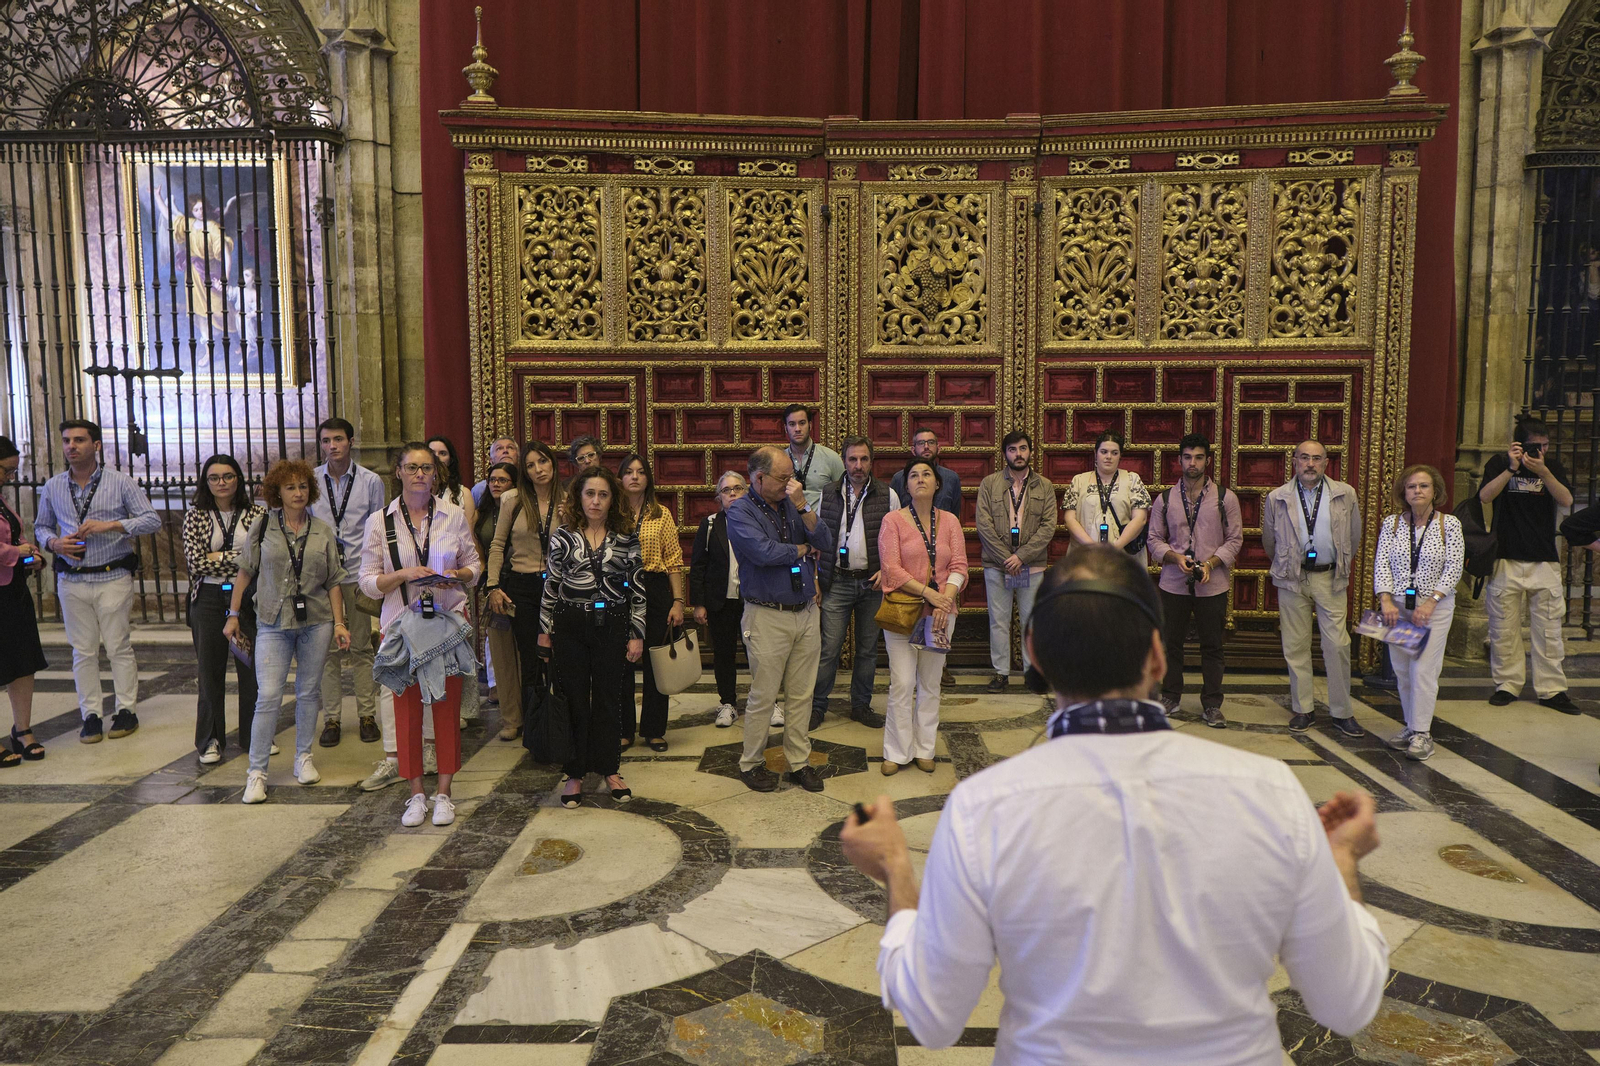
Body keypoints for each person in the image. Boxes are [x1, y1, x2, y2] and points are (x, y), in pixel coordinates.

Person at [839, 545, 1390, 1064]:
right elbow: (1347, 1002)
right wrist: (1340, 861)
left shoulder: (983, 807)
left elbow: (933, 1017)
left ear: (1034, 654)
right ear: (1156, 655)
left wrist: (895, 869)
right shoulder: (1270, 789)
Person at [359, 444, 481, 827]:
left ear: (435, 474)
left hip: (445, 625)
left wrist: (459, 576)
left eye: (426, 468)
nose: (419, 474)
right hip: (400, 628)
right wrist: (402, 575)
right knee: (406, 713)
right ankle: (415, 795)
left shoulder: (454, 515)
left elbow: (474, 564)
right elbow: (367, 582)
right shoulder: (381, 521)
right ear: (398, 472)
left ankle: (444, 793)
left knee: (446, 709)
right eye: (411, 467)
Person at [225, 460, 350, 804]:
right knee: (268, 696)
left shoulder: (323, 530)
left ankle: (303, 758)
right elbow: (245, 572)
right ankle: (256, 772)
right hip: (272, 621)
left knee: (309, 692)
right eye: (291, 487)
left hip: (317, 621)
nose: (298, 493)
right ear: (277, 492)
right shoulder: (263, 526)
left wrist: (339, 623)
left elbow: (335, 581)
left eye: (303, 486)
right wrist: (233, 614)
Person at [34, 419, 160, 743]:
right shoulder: (53, 487)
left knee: (118, 645)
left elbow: (151, 520)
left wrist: (111, 525)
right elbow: (41, 527)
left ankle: (126, 710)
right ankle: (90, 715)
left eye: (78, 440)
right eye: (66, 441)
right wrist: (54, 544)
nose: (71, 447)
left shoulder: (120, 483)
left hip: (112, 575)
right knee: (83, 650)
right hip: (71, 579)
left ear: (96, 445)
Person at [725, 446, 834, 793]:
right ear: (759, 478)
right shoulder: (739, 511)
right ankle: (751, 762)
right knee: (764, 696)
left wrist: (803, 506)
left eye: (793, 477)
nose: (791, 484)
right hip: (766, 615)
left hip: (805, 611)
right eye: (784, 478)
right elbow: (763, 552)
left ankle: (799, 762)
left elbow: (826, 540)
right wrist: (802, 550)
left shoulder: (791, 503)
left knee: (801, 695)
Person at [536, 466, 645, 808]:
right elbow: (551, 585)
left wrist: (636, 633)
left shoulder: (626, 536)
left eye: (603, 495)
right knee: (574, 698)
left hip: (612, 622)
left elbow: (638, 588)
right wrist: (544, 631)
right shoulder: (563, 536)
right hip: (570, 625)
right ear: (578, 497)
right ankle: (575, 772)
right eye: (589, 494)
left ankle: (610, 768)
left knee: (610, 699)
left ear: (613, 500)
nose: (595, 501)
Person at [1262, 440, 1364, 736]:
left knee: (1338, 645)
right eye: (1304, 457)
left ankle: (1342, 712)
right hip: (1292, 578)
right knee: (1295, 646)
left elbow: (1353, 536)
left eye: (1316, 458)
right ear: (1294, 461)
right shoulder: (1277, 497)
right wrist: (1289, 562)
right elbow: (1270, 541)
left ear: (1326, 462)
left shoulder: (1345, 494)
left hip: (1329, 578)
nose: (1310, 463)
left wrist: (1335, 561)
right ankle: (1303, 709)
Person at [1479, 419, 1581, 713]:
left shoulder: (1552, 467)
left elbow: (1566, 500)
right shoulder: (1499, 462)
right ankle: (1507, 685)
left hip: (1543, 558)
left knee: (1549, 629)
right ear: (1519, 445)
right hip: (1505, 557)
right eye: (1535, 445)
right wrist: (1511, 469)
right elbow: (1485, 496)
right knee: (1503, 629)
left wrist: (1544, 471)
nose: (1541, 450)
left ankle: (1552, 690)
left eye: (1545, 445)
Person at [1145, 434, 1243, 727]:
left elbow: (1235, 540)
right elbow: (1153, 539)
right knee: (1170, 643)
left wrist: (1211, 563)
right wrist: (1175, 558)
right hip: (1174, 582)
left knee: (1212, 645)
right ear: (1179, 460)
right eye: (1187, 457)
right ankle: (1171, 696)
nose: (1192, 463)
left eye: (1198, 457)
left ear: (1207, 461)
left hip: (1212, 584)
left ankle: (1212, 704)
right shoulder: (1165, 498)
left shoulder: (1226, 498)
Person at [878, 458, 968, 774]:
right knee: (902, 683)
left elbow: (959, 565)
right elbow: (891, 567)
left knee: (930, 683)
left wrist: (946, 598)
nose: (920, 479)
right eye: (913, 475)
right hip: (904, 610)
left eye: (926, 474)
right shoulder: (893, 520)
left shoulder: (951, 522)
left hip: (942, 614)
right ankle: (897, 751)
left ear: (937, 483)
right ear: (906, 486)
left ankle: (924, 748)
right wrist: (929, 593)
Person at [1375, 465, 1466, 761]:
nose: (1417, 491)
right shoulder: (1391, 524)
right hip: (1398, 607)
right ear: (1404, 491)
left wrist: (1431, 602)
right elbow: (1381, 564)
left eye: (1424, 486)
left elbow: (1454, 567)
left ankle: (1423, 734)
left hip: (1434, 608)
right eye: (1412, 486)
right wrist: (1385, 600)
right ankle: (1411, 726)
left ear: (1435, 492)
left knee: (1423, 670)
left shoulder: (1448, 524)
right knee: (1402, 670)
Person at [182, 453, 266, 764]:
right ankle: (210, 740)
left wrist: (219, 555)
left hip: (247, 599)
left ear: (238, 480)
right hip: (207, 599)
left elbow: (259, 559)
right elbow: (196, 562)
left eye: (228, 476)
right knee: (210, 672)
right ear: (206, 482)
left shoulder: (255, 513)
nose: (222, 483)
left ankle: (253, 736)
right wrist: (238, 556)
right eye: (215, 477)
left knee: (251, 670)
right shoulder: (196, 515)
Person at [311, 417, 388, 748]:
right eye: (326, 441)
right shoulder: (312, 480)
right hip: (322, 578)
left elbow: (378, 529)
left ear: (351, 442)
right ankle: (332, 718)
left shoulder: (370, 481)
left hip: (357, 573)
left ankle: (367, 715)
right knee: (326, 651)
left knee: (360, 647)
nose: (332, 446)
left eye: (338, 439)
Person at [813, 437, 898, 730]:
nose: (858, 466)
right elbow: (818, 538)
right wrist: (816, 579)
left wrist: (886, 571)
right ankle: (816, 706)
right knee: (828, 649)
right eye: (852, 460)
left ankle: (861, 705)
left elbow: (895, 540)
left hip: (871, 585)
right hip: (836, 581)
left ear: (871, 461)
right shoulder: (828, 493)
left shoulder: (888, 495)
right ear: (844, 461)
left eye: (863, 459)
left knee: (867, 650)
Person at [486, 441, 561, 742]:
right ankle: (534, 727)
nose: (538, 469)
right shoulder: (512, 499)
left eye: (542, 462)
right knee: (529, 659)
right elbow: (497, 545)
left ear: (553, 464)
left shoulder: (568, 499)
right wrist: (493, 586)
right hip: (523, 586)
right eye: (530, 465)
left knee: (559, 656)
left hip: (559, 587)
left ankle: (559, 722)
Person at [975, 431, 1057, 693]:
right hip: (996, 565)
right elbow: (983, 525)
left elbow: (1048, 526)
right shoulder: (989, 484)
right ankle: (1000, 673)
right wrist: (1006, 557)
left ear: (1030, 452)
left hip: (1031, 566)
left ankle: (1032, 673)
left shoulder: (1044, 485)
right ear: (1004, 454)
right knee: (998, 620)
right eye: (1012, 449)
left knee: (1030, 621)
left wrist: (1021, 556)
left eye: (1023, 448)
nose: (1018, 454)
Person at [618, 453, 686, 753]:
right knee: (621, 662)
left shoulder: (661, 514)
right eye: (629, 472)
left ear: (648, 478)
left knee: (657, 662)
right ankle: (623, 730)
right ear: (620, 478)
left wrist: (678, 601)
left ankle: (654, 729)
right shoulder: (611, 513)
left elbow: (674, 561)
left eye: (640, 472)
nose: (634, 476)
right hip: (619, 589)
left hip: (655, 587)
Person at [0, 436, 48, 767]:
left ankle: (23, 729)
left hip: (13, 590)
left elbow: (15, 535)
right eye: (6, 470)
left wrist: (31, 553)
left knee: (22, 660)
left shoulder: (2, 501)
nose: (11, 478)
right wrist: (16, 553)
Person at [691, 471, 748, 728]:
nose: (732, 493)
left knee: (759, 654)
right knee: (724, 654)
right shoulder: (711, 524)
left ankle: (768, 703)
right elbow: (698, 566)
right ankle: (728, 703)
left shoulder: (757, 521)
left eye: (738, 488)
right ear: (719, 497)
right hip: (721, 601)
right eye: (726, 490)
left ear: (747, 492)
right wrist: (699, 603)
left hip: (753, 602)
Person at [474, 461, 519, 717]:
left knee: (523, 653)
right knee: (499, 651)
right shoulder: (483, 511)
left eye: (502, 480)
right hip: (493, 584)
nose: (496, 485)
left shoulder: (519, 506)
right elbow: (479, 543)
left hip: (519, 581)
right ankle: (509, 713)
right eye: (492, 480)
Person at [1063, 431, 1151, 552]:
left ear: (1120, 455)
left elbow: (1140, 519)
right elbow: (1069, 519)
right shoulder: (1079, 481)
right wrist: (1092, 547)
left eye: (1114, 453)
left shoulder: (1132, 479)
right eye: (1104, 452)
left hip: (1122, 555)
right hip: (1084, 554)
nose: (1108, 456)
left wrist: (1115, 548)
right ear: (1096, 453)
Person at [782, 404, 844, 511]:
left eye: (802, 423)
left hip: (822, 524)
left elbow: (844, 495)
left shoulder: (831, 458)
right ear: (785, 428)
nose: (797, 429)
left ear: (810, 425)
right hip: (788, 525)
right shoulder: (779, 461)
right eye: (792, 424)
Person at [890, 426, 962, 516]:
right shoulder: (899, 478)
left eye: (931, 442)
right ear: (913, 450)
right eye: (921, 443)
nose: (926, 447)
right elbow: (894, 513)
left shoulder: (951, 478)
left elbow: (955, 513)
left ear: (938, 448)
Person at [471, 437, 520, 508]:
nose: (505, 451)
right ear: (491, 461)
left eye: (510, 447)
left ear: (518, 457)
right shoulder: (480, 490)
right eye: (499, 448)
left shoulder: (528, 484)